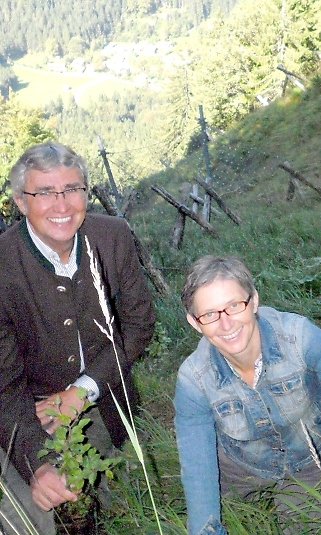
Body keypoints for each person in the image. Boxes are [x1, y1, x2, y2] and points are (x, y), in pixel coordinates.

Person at [174, 255, 321, 535]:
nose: (226, 324)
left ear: (254, 301)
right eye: (210, 314)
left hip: (307, 457)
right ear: (194, 322)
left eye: (234, 306)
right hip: (241, 463)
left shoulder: (298, 336)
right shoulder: (193, 379)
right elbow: (198, 466)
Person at [0, 141, 156, 534]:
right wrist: (37, 463)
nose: (62, 205)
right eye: (45, 193)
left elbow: (138, 326)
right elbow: (3, 383)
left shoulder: (112, 236)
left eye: (72, 189)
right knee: (29, 519)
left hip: (103, 399)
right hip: (27, 412)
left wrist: (82, 391)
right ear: (21, 201)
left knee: (111, 502)